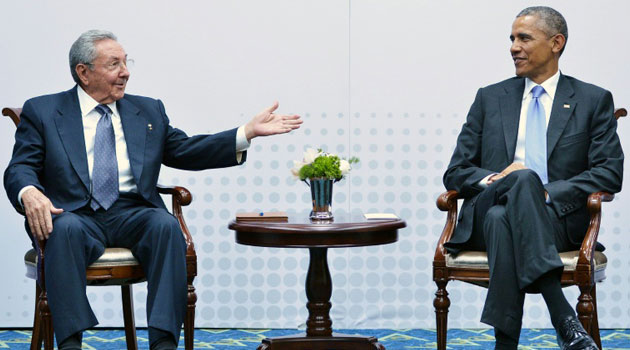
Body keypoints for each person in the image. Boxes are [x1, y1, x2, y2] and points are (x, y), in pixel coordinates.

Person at [4, 30, 302, 350]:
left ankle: (163, 342)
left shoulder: (146, 111)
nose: (126, 71)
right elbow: (20, 167)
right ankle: (71, 343)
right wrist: (29, 191)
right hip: (73, 213)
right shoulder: (44, 111)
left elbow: (185, 150)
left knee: (164, 226)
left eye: (126, 62)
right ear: (83, 72)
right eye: (114, 64)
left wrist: (246, 133)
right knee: (63, 229)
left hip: (131, 211)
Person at [443, 6, 623, 350]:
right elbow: (456, 171)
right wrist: (500, 178)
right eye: (511, 38)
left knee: (504, 217)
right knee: (517, 185)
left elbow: (609, 172)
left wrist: (545, 193)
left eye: (524, 37)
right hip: (484, 210)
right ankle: (563, 317)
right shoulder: (490, 97)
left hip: (557, 220)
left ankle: (504, 344)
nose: (513, 46)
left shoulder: (591, 100)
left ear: (556, 43)